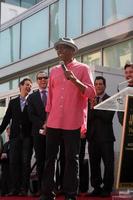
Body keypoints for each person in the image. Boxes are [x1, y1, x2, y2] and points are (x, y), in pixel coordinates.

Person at [39, 37, 96, 200]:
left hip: (73, 121)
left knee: (72, 159)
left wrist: (74, 79)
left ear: (72, 50)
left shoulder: (83, 68)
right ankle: (47, 193)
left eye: (63, 48)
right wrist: (47, 120)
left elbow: (91, 93)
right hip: (54, 121)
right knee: (50, 158)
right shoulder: (54, 71)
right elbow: (50, 99)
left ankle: (71, 194)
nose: (59, 51)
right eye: (58, 48)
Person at [0, 78, 33, 196]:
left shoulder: (32, 101)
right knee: (14, 162)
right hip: (14, 137)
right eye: (27, 85)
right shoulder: (13, 102)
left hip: (27, 137)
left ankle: (24, 189)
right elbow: (7, 118)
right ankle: (14, 188)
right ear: (21, 86)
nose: (29, 87)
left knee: (25, 162)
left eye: (30, 85)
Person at [87, 76, 115, 197]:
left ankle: (107, 189)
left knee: (109, 164)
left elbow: (107, 118)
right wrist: (93, 109)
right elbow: (88, 118)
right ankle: (96, 187)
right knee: (94, 164)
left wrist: (95, 108)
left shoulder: (110, 100)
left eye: (100, 84)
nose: (98, 86)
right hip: (93, 138)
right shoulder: (90, 100)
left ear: (105, 86)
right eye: (96, 84)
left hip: (106, 138)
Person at [28, 71, 48, 196]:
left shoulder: (54, 94)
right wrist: (43, 124)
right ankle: (41, 188)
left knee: (52, 160)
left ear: (48, 79)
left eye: (45, 77)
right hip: (38, 133)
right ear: (37, 81)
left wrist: (50, 124)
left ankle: (52, 187)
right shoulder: (32, 97)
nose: (42, 80)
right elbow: (31, 115)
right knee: (40, 161)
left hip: (53, 132)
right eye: (40, 78)